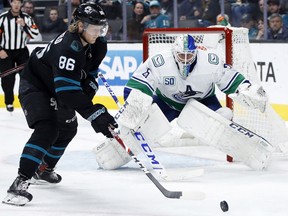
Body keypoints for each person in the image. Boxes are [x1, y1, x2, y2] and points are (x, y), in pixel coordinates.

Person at [94, 34, 268, 170]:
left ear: (196, 53)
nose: (185, 59)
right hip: (166, 102)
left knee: (224, 117)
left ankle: (253, 153)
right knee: (138, 131)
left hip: (204, 102)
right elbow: (138, 83)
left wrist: (247, 89)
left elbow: (231, 79)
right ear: (173, 52)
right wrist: (136, 103)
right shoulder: (160, 61)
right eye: (181, 55)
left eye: (189, 55)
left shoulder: (210, 61)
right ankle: (112, 155)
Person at [2, 2, 118, 206]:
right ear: (80, 26)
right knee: (47, 128)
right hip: (36, 84)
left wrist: (89, 91)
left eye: (102, 28)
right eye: (94, 28)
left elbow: (89, 74)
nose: (99, 32)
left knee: (68, 129)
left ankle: (43, 169)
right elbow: (67, 92)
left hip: (56, 85)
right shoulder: (67, 48)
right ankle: (19, 184)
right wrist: (93, 113)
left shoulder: (99, 43)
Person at [0, 0, 39, 112]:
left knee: (27, 78)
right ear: (11, 3)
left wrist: (24, 25)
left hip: (22, 52)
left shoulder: (27, 18)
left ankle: (24, 100)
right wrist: (0, 49)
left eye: (19, 3)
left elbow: (35, 34)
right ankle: (9, 102)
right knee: (7, 79)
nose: (16, 5)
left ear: (21, 4)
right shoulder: (2, 18)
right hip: (6, 53)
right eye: (14, 2)